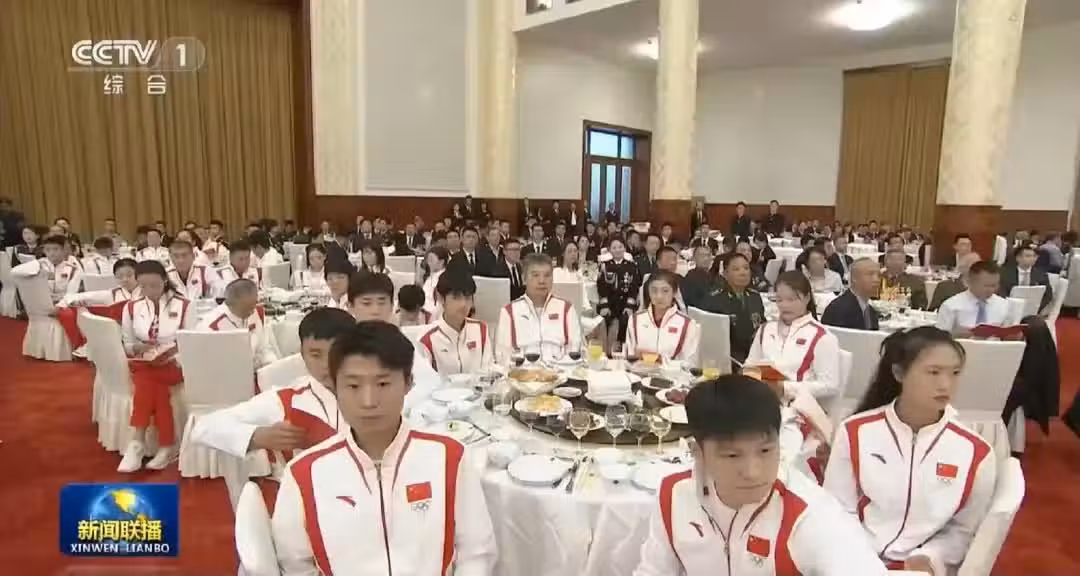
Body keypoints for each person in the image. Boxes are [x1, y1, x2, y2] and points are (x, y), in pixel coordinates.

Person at [271, 321, 497, 574]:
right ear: (334, 387)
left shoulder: (449, 458)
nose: (368, 401)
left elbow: (476, 552)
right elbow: (296, 565)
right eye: (353, 386)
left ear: (408, 383)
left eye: (383, 384)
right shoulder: (304, 474)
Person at [634, 375, 888, 576]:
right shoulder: (674, 494)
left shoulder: (806, 512)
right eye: (732, 456)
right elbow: (654, 570)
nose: (753, 472)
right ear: (697, 452)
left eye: (765, 451)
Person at [825, 327, 996, 575]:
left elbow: (963, 529)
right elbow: (839, 508)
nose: (946, 384)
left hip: (919, 570)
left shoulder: (975, 452)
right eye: (933, 372)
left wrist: (931, 556)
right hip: (855, 560)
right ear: (899, 373)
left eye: (955, 373)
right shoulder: (855, 431)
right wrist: (860, 559)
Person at [117, 260, 195, 472]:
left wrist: (172, 356)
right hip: (145, 364)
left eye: (154, 285)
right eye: (143, 286)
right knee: (153, 384)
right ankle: (166, 446)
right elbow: (128, 344)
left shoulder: (185, 305)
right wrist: (137, 348)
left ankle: (137, 442)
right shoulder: (132, 307)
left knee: (148, 380)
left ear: (165, 280)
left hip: (175, 364)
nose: (149, 291)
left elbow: (191, 343)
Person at [346, 272, 442, 409]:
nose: (375, 310)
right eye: (367, 303)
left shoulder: (400, 344)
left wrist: (395, 404)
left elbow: (431, 381)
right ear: (350, 306)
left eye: (382, 303)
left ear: (392, 305)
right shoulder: (343, 347)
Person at [746, 271, 840, 401]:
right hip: (761, 399)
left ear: (807, 298)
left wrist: (785, 388)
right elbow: (749, 365)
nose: (784, 305)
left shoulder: (822, 336)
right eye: (779, 300)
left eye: (791, 299)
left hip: (797, 405)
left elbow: (830, 386)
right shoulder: (765, 329)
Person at [496, 253, 582, 362]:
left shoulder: (566, 309)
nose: (542, 281)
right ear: (524, 279)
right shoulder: (509, 312)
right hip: (522, 371)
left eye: (547, 275)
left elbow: (575, 350)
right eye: (535, 275)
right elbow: (502, 356)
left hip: (560, 369)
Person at [417, 272, 493, 375]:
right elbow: (425, 381)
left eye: (467, 297)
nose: (463, 304)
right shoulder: (427, 340)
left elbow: (488, 372)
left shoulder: (481, 330)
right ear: (441, 298)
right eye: (456, 297)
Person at [198, 279, 280, 369]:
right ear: (230, 304)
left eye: (253, 306)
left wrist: (272, 367)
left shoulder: (258, 313)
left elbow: (264, 349)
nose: (251, 312)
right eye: (245, 309)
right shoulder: (210, 327)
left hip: (254, 372)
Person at [699, 253, 765, 364]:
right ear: (725, 274)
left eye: (746, 268)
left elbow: (761, 325)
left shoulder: (755, 296)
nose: (743, 273)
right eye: (736, 269)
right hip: (728, 359)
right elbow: (710, 339)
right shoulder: (715, 299)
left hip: (755, 356)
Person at [626, 271, 700, 364]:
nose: (659, 296)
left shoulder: (688, 324)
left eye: (665, 291)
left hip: (673, 373)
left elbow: (690, 363)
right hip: (639, 372)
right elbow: (629, 357)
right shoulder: (635, 320)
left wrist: (660, 360)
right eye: (654, 290)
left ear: (674, 292)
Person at [936, 260, 1012, 336]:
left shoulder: (1004, 305)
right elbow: (939, 337)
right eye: (986, 286)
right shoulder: (951, 306)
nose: (991, 290)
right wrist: (954, 334)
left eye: (994, 285)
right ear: (970, 282)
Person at [596, 238, 641, 351]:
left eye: (620, 247)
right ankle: (604, 348)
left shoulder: (631, 266)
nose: (617, 250)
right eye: (614, 248)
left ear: (625, 248)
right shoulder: (605, 266)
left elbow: (634, 287)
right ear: (610, 250)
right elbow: (601, 287)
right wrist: (605, 306)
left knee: (626, 320)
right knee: (603, 319)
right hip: (610, 303)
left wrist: (629, 306)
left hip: (625, 303)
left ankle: (621, 347)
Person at [12, 234, 82, 302]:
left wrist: (61, 298)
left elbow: (71, 293)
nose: (52, 253)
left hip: (64, 303)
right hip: (42, 302)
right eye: (48, 250)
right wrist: (39, 274)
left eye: (55, 249)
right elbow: (14, 272)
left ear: (63, 250)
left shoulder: (73, 268)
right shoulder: (40, 263)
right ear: (44, 251)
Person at [822, 258, 880, 331]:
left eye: (878, 275)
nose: (877, 280)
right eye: (870, 274)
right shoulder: (838, 309)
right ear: (854, 278)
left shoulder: (871, 312)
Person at [999, 244, 1053, 311]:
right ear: (1018, 258)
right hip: (1010, 307)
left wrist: (1037, 307)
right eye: (1028, 256)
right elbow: (1001, 293)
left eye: (1034, 256)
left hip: (1033, 308)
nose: (1032, 259)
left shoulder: (1041, 275)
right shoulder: (1005, 274)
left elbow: (1048, 295)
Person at [422, 246, 449, 314]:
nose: (428, 263)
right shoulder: (430, 276)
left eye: (431, 260)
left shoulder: (444, 279)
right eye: (428, 260)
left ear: (441, 262)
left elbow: (439, 304)